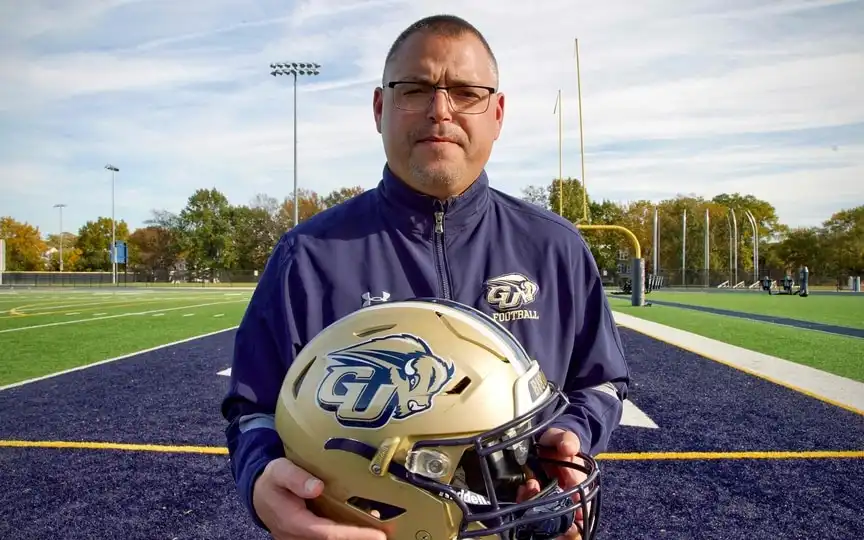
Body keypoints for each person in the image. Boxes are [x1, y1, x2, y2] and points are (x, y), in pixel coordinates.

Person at [221, 13, 630, 540]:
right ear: (379, 108)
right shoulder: (308, 256)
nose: (441, 110)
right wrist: (261, 483)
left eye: (466, 92)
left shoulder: (555, 247)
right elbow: (253, 408)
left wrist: (569, 436)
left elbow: (600, 380)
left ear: (498, 113)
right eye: (415, 89)